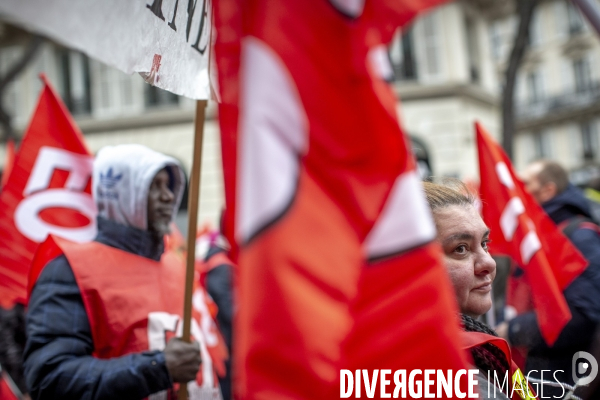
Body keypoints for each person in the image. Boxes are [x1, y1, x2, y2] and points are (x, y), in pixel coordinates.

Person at [24, 144, 206, 399]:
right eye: (154, 186)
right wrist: (158, 368)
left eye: (169, 186)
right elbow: (51, 377)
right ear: (122, 193)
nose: (168, 197)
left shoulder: (177, 266)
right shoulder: (70, 271)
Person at [498, 160, 600, 393]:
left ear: (548, 190)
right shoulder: (539, 233)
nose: (516, 187)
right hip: (538, 373)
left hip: (565, 379)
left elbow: (586, 314)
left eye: (525, 183)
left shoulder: (579, 237)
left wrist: (514, 329)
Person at [423, 181, 532, 400]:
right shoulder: (451, 375)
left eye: (484, 243)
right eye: (460, 249)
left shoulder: (478, 350)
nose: (489, 263)